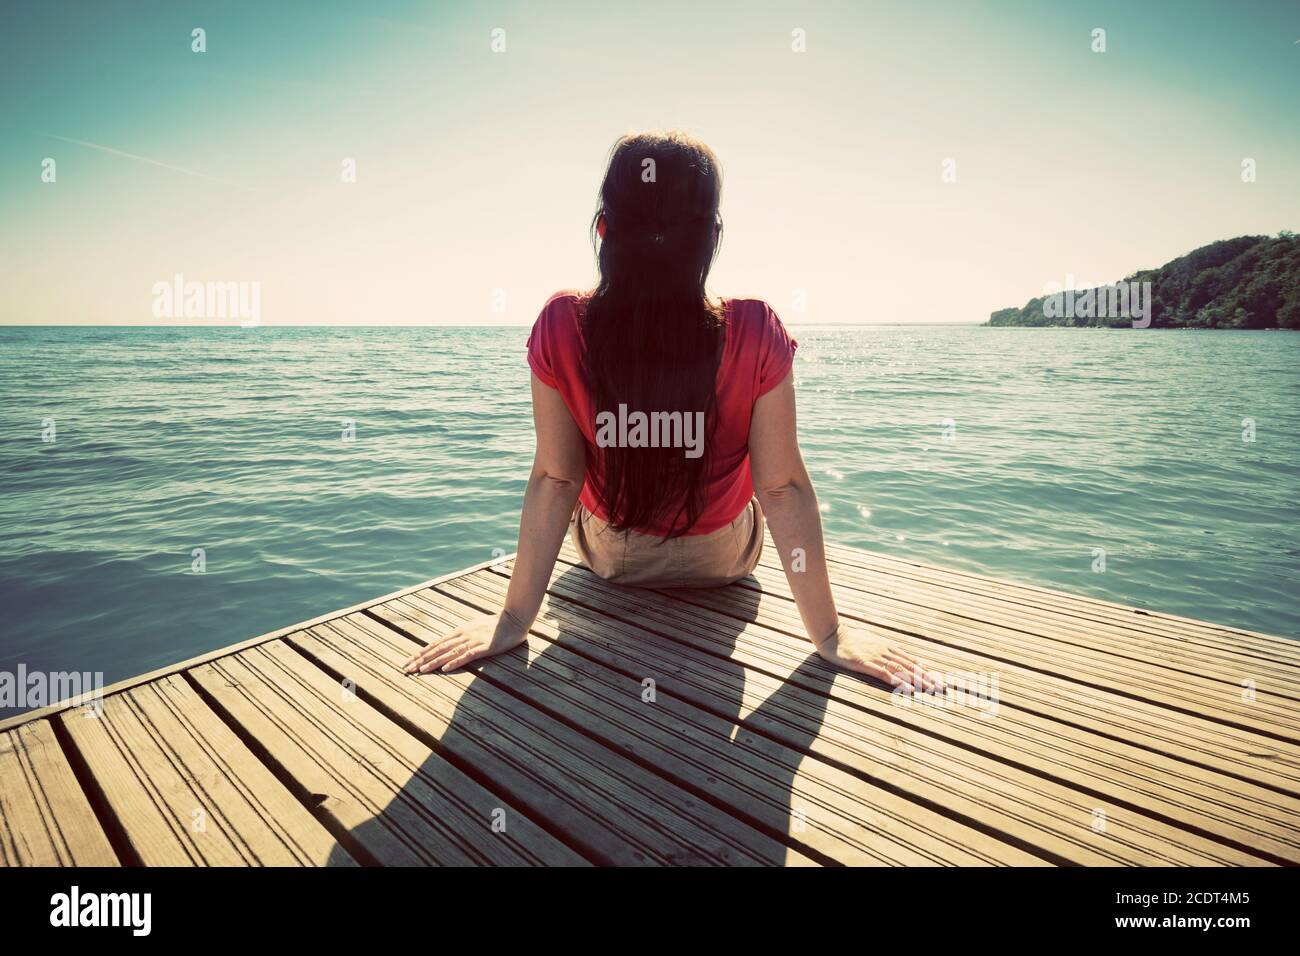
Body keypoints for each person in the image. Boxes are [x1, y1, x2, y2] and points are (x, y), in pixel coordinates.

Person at [405, 131, 942, 693]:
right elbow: (781, 487)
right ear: (710, 238)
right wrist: (829, 635)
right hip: (724, 557)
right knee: (753, 502)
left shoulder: (562, 323)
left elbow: (556, 476)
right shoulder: (757, 329)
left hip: (612, 556)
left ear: (604, 229)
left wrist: (513, 620)